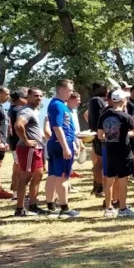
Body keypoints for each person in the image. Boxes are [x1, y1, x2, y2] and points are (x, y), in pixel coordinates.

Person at [98, 89, 134, 218]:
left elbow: (101, 135)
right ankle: (122, 208)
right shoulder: (126, 117)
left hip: (110, 150)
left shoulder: (104, 115)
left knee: (109, 180)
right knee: (123, 181)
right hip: (124, 152)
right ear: (124, 101)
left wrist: (112, 135)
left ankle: (108, 208)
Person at [44, 79, 78, 219]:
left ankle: (50, 204)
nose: (71, 93)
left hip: (58, 143)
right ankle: (64, 208)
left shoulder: (59, 105)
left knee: (53, 175)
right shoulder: (57, 105)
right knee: (63, 176)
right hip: (60, 143)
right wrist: (65, 147)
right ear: (62, 90)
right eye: (70, 90)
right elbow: (57, 127)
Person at [14, 88, 46, 217]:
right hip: (28, 149)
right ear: (28, 96)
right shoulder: (26, 111)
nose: (38, 98)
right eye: (35, 95)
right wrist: (26, 141)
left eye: (41, 95)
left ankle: (33, 205)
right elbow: (18, 125)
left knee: (38, 175)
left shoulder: (34, 111)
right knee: (25, 178)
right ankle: (19, 208)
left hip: (36, 148)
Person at [87, 82, 108, 198]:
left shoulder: (93, 100)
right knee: (100, 162)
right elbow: (103, 117)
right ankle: (99, 186)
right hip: (100, 135)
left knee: (99, 162)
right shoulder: (97, 100)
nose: (106, 90)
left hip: (96, 134)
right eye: (104, 88)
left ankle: (97, 185)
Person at [6, 88, 28, 198]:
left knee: (17, 168)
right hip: (18, 142)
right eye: (26, 97)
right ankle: (17, 193)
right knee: (20, 169)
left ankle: (16, 191)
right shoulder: (19, 110)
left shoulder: (12, 109)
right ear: (19, 99)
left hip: (14, 142)